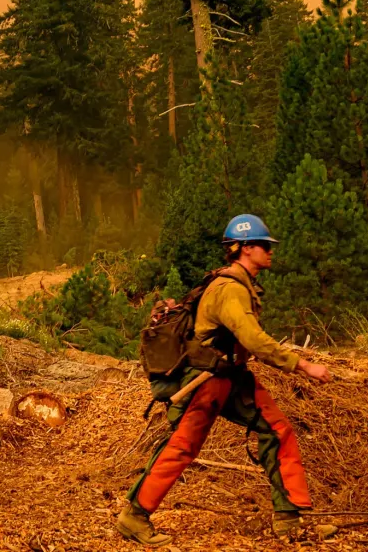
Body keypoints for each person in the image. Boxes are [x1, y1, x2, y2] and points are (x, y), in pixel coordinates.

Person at [118, 215, 336, 546]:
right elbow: (253, 338)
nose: (270, 251)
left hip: (231, 377)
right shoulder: (230, 289)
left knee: (278, 431)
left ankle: (290, 521)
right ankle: (133, 517)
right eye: (265, 245)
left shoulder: (239, 284)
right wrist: (304, 366)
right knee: (182, 447)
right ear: (245, 249)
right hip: (205, 381)